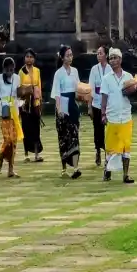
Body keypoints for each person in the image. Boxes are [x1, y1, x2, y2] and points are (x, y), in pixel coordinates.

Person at [100, 46, 137, 184]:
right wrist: (103, 113)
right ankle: (107, 171)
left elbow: (134, 95)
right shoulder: (106, 79)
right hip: (112, 115)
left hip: (125, 115)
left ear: (120, 59)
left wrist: (134, 89)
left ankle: (126, 174)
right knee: (111, 146)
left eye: (115, 58)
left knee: (125, 147)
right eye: (111, 58)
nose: (113, 60)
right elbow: (104, 98)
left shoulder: (128, 77)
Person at [51, 45, 82, 177]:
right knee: (64, 137)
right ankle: (64, 168)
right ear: (62, 58)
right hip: (63, 102)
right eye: (67, 55)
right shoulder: (58, 73)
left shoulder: (75, 71)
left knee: (74, 135)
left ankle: (76, 168)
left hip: (73, 103)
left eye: (71, 55)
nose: (70, 57)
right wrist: (59, 110)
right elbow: (57, 93)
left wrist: (81, 98)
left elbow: (78, 87)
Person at [0, 56, 23, 177]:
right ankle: (0, 159)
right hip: (4, 112)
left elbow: (19, 95)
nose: (10, 71)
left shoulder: (17, 78)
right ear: (4, 69)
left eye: (12, 69)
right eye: (7, 69)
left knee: (14, 142)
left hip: (14, 112)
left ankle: (10, 169)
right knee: (7, 140)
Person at [18, 49, 43, 163]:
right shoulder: (21, 71)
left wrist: (39, 102)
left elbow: (39, 86)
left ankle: (37, 154)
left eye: (31, 57)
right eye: (27, 56)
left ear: (34, 58)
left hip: (35, 103)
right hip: (25, 103)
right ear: (24, 58)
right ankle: (26, 154)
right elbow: (19, 89)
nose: (29, 59)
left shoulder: (37, 71)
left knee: (36, 129)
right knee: (26, 128)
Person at [88, 45, 109, 168]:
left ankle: (108, 151)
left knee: (107, 129)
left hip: (108, 104)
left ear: (105, 55)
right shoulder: (94, 69)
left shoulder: (111, 69)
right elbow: (90, 88)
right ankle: (98, 151)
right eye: (97, 53)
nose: (98, 55)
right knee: (97, 129)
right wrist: (89, 106)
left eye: (101, 53)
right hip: (96, 102)